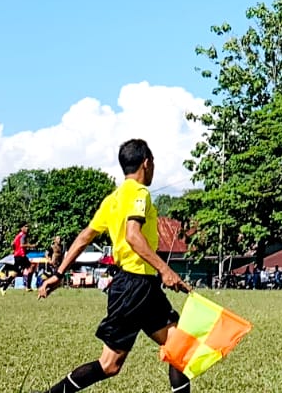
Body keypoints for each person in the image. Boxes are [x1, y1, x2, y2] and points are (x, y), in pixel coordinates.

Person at [40, 139, 191, 393]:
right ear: (146, 162)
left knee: (179, 347)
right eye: (153, 163)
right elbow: (133, 235)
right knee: (109, 365)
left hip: (140, 286)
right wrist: (165, 269)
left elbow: (84, 237)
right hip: (134, 287)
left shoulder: (113, 199)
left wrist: (58, 273)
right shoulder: (140, 193)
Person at [12, 223, 33, 289]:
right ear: (22, 228)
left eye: (28, 227)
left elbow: (12, 243)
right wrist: (30, 245)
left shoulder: (18, 235)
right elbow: (22, 245)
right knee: (30, 268)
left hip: (17, 255)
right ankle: (28, 287)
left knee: (15, 272)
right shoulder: (23, 235)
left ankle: (3, 286)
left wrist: (15, 250)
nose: (27, 228)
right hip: (21, 255)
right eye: (25, 227)